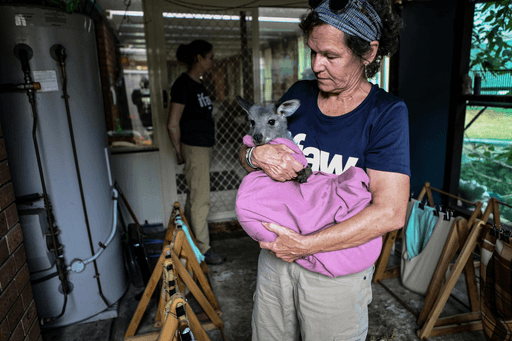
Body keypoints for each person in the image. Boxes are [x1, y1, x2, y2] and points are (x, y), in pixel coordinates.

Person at [238, 0, 410, 339]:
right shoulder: (299, 96)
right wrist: (255, 156)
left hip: (334, 267)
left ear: (369, 52)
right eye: (312, 52)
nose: (316, 65)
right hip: (277, 259)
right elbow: (246, 157)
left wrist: (305, 245)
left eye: (330, 56)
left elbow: (391, 212)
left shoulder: (386, 113)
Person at [167, 40, 226, 265]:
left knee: (196, 198)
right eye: (210, 57)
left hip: (201, 147)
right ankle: (202, 250)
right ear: (199, 58)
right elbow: (172, 123)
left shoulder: (198, 84)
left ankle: (194, 243)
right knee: (201, 199)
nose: (213, 61)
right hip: (194, 148)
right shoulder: (183, 85)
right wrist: (179, 151)